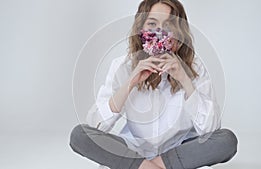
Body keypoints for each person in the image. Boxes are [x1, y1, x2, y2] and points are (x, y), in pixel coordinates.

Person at [69, 0, 238, 169]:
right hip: (134, 149)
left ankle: (146, 167)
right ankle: (147, 166)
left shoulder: (195, 68)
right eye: (152, 24)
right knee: (79, 135)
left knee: (227, 140)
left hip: (180, 150)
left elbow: (212, 130)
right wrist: (130, 82)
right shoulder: (122, 66)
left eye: (168, 24)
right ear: (141, 29)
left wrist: (185, 79)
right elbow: (95, 126)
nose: (160, 32)